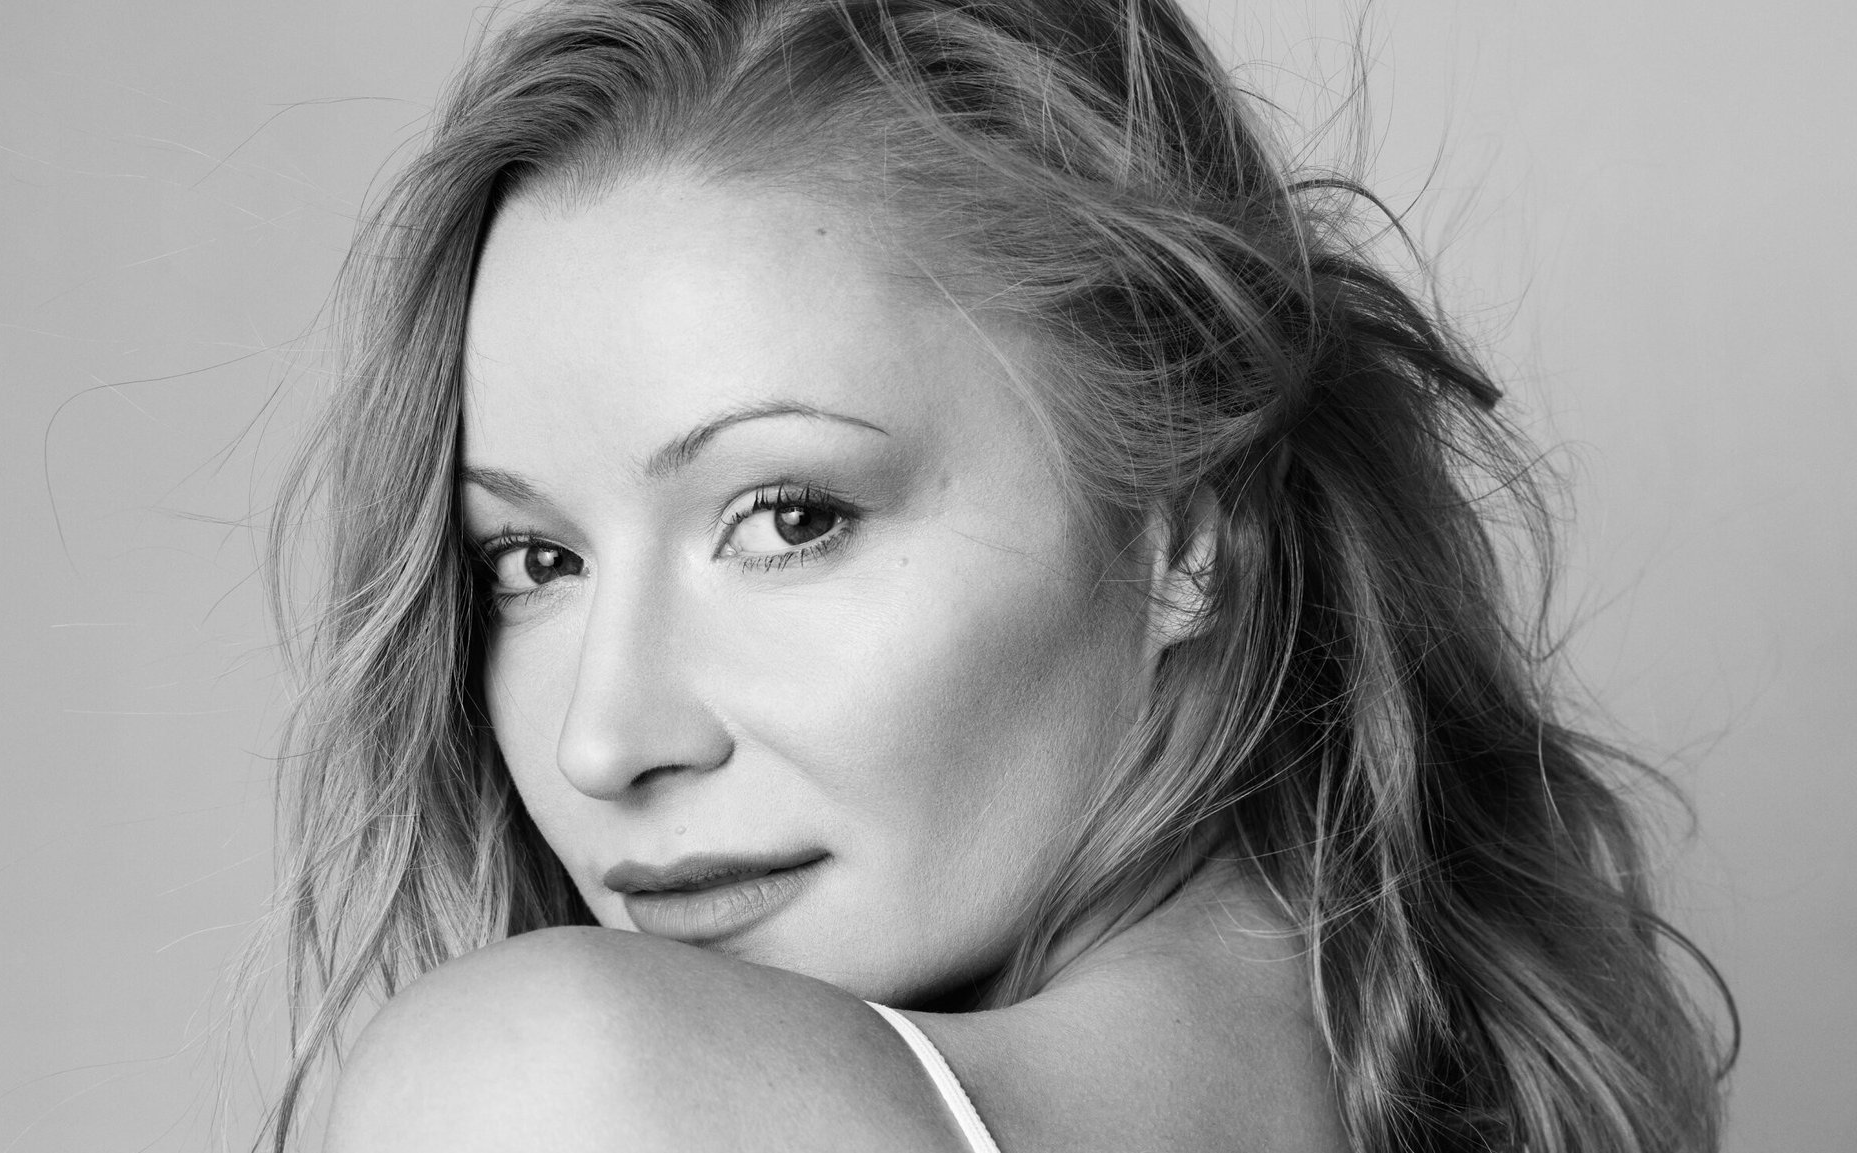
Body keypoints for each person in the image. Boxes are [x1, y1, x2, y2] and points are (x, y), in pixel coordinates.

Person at [260, 1, 1733, 1149]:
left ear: (1183, 534)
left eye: (788, 517)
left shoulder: (560, 1084)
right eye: (535, 560)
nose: (607, 737)